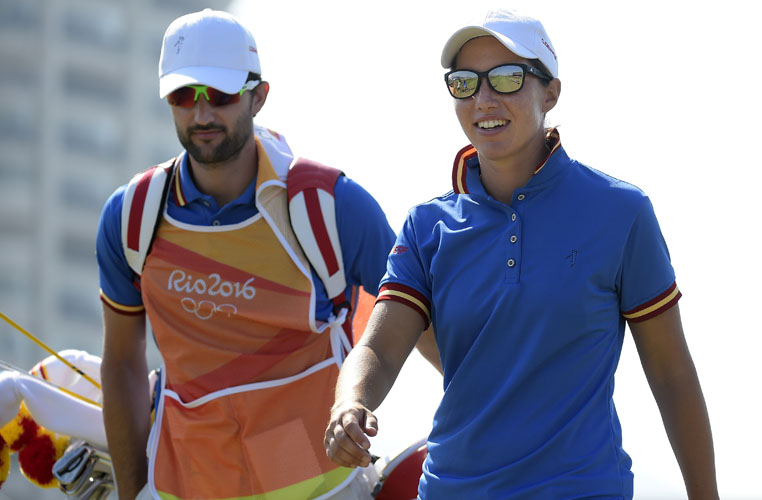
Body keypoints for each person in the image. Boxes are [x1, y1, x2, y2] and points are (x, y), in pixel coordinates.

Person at [324, 8, 719, 499]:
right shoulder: (427, 227)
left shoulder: (621, 212)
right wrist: (350, 402)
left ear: (550, 92)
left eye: (508, 78)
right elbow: (379, 350)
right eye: (464, 83)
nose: (484, 99)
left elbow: (672, 372)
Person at [95, 9, 432, 500]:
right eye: (184, 95)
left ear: (259, 96)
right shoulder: (131, 216)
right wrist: (131, 493)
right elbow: (122, 363)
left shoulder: (330, 205)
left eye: (222, 95)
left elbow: (426, 326)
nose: (202, 113)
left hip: (324, 490)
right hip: (183, 489)